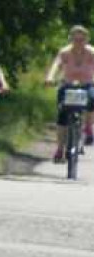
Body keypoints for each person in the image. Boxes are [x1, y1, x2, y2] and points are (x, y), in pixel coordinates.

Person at [44, 25, 94, 161]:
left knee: (92, 99)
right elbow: (56, 65)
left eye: (82, 40)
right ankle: (60, 149)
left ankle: (88, 128)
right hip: (68, 85)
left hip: (86, 85)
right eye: (75, 39)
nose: (78, 42)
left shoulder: (91, 52)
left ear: (86, 40)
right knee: (62, 115)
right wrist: (50, 77)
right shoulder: (65, 52)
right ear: (71, 39)